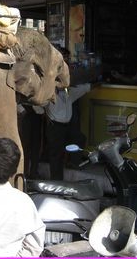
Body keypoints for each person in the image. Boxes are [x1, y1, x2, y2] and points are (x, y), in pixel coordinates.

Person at [44, 47, 91, 180]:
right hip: (54, 125)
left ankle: (67, 169)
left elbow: (84, 88)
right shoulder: (49, 86)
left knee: (72, 144)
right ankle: (56, 179)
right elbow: (39, 105)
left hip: (66, 124)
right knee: (56, 154)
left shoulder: (68, 90)